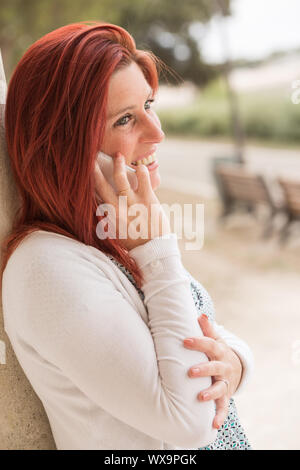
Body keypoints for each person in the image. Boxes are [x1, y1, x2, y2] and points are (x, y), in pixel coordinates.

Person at [1, 21, 253, 450]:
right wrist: (158, 251)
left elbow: (205, 333)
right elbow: (187, 423)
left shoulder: (110, 236)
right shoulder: (45, 268)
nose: (158, 133)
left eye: (149, 104)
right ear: (65, 147)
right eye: (125, 119)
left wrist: (236, 364)